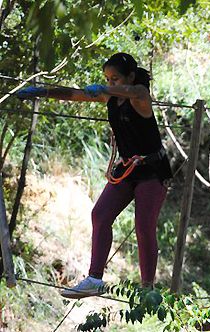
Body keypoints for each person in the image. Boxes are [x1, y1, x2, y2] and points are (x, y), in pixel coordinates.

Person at [17, 53, 173, 298]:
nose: (111, 84)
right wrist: (42, 91)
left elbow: (135, 92)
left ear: (130, 77)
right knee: (100, 215)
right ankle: (94, 279)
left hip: (152, 170)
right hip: (127, 168)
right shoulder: (111, 96)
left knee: (143, 226)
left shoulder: (140, 96)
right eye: (107, 80)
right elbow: (73, 94)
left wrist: (108, 89)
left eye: (115, 79)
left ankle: (147, 289)